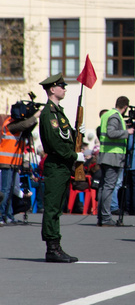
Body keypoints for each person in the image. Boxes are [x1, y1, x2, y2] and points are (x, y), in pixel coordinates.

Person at [38, 73, 85, 262]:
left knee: (57, 208)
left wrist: (76, 133)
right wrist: (74, 155)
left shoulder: (59, 112)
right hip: (56, 165)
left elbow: (64, 137)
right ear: (52, 89)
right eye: (62, 86)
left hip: (63, 166)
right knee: (52, 207)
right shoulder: (49, 113)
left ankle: (56, 245)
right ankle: (52, 248)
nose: (65, 88)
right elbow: (55, 142)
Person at [0, 102, 41, 225]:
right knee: (6, 190)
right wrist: (36, 115)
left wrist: (33, 119)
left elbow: (28, 126)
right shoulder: (10, 124)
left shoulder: (15, 124)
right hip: (7, 161)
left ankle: (9, 215)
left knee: (12, 190)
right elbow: (24, 124)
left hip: (14, 162)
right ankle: (2, 215)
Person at [97, 96, 134, 226]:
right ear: (125, 107)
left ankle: (102, 217)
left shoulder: (107, 114)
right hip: (112, 156)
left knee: (103, 187)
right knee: (108, 187)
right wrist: (127, 132)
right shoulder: (115, 116)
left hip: (106, 154)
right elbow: (111, 133)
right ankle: (106, 217)